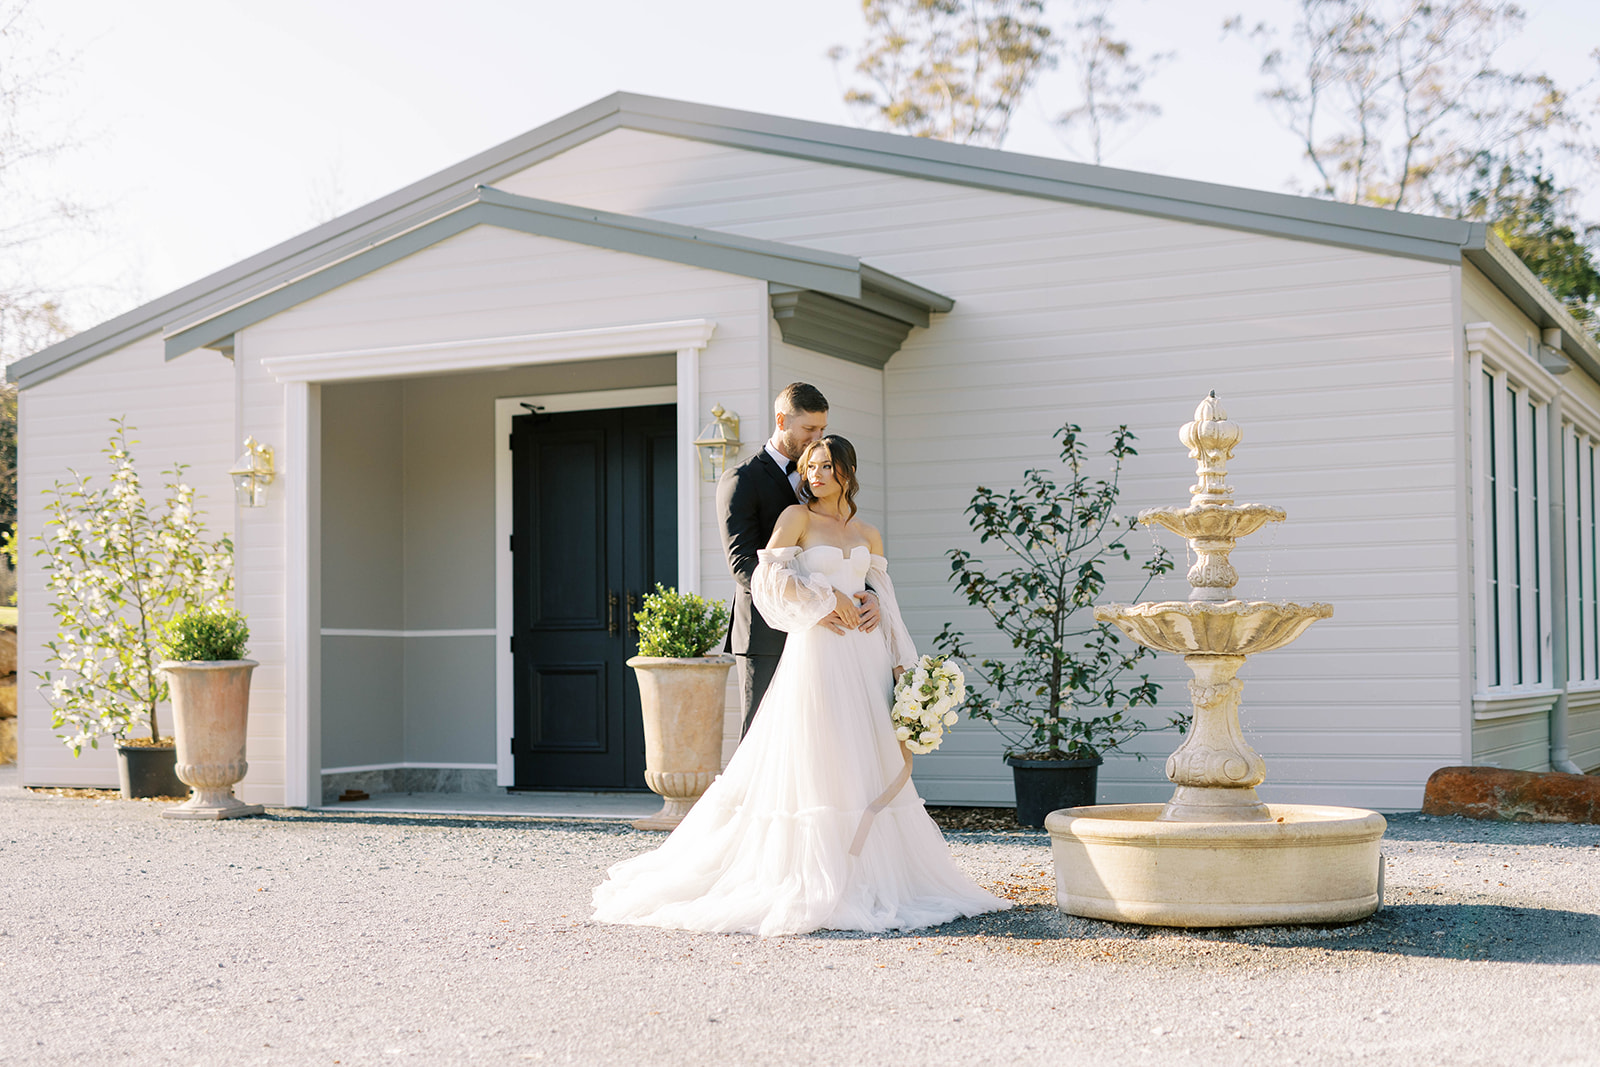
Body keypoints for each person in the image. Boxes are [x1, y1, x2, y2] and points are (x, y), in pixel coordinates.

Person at [593, 435, 1009, 936]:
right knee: (822, 753)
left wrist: (890, 636)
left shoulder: (868, 532)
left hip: (866, 656)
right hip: (818, 654)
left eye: (827, 466)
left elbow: (885, 600)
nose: (816, 474)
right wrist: (823, 596)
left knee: (864, 754)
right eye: (811, 466)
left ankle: (871, 875)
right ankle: (817, 875)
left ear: (848, 472)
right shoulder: (796, 519)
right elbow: (768, 584)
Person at [716, 383, 879, 737]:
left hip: (832, 636)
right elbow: (743, 564)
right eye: (809, 429)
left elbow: (842, 552)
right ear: (781, 421)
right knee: (764, 739)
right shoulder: (741, 480)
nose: (817, 436)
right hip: (767, 632)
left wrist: (871, 597)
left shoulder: (824, 473)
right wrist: (814, 602)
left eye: (822, 428)